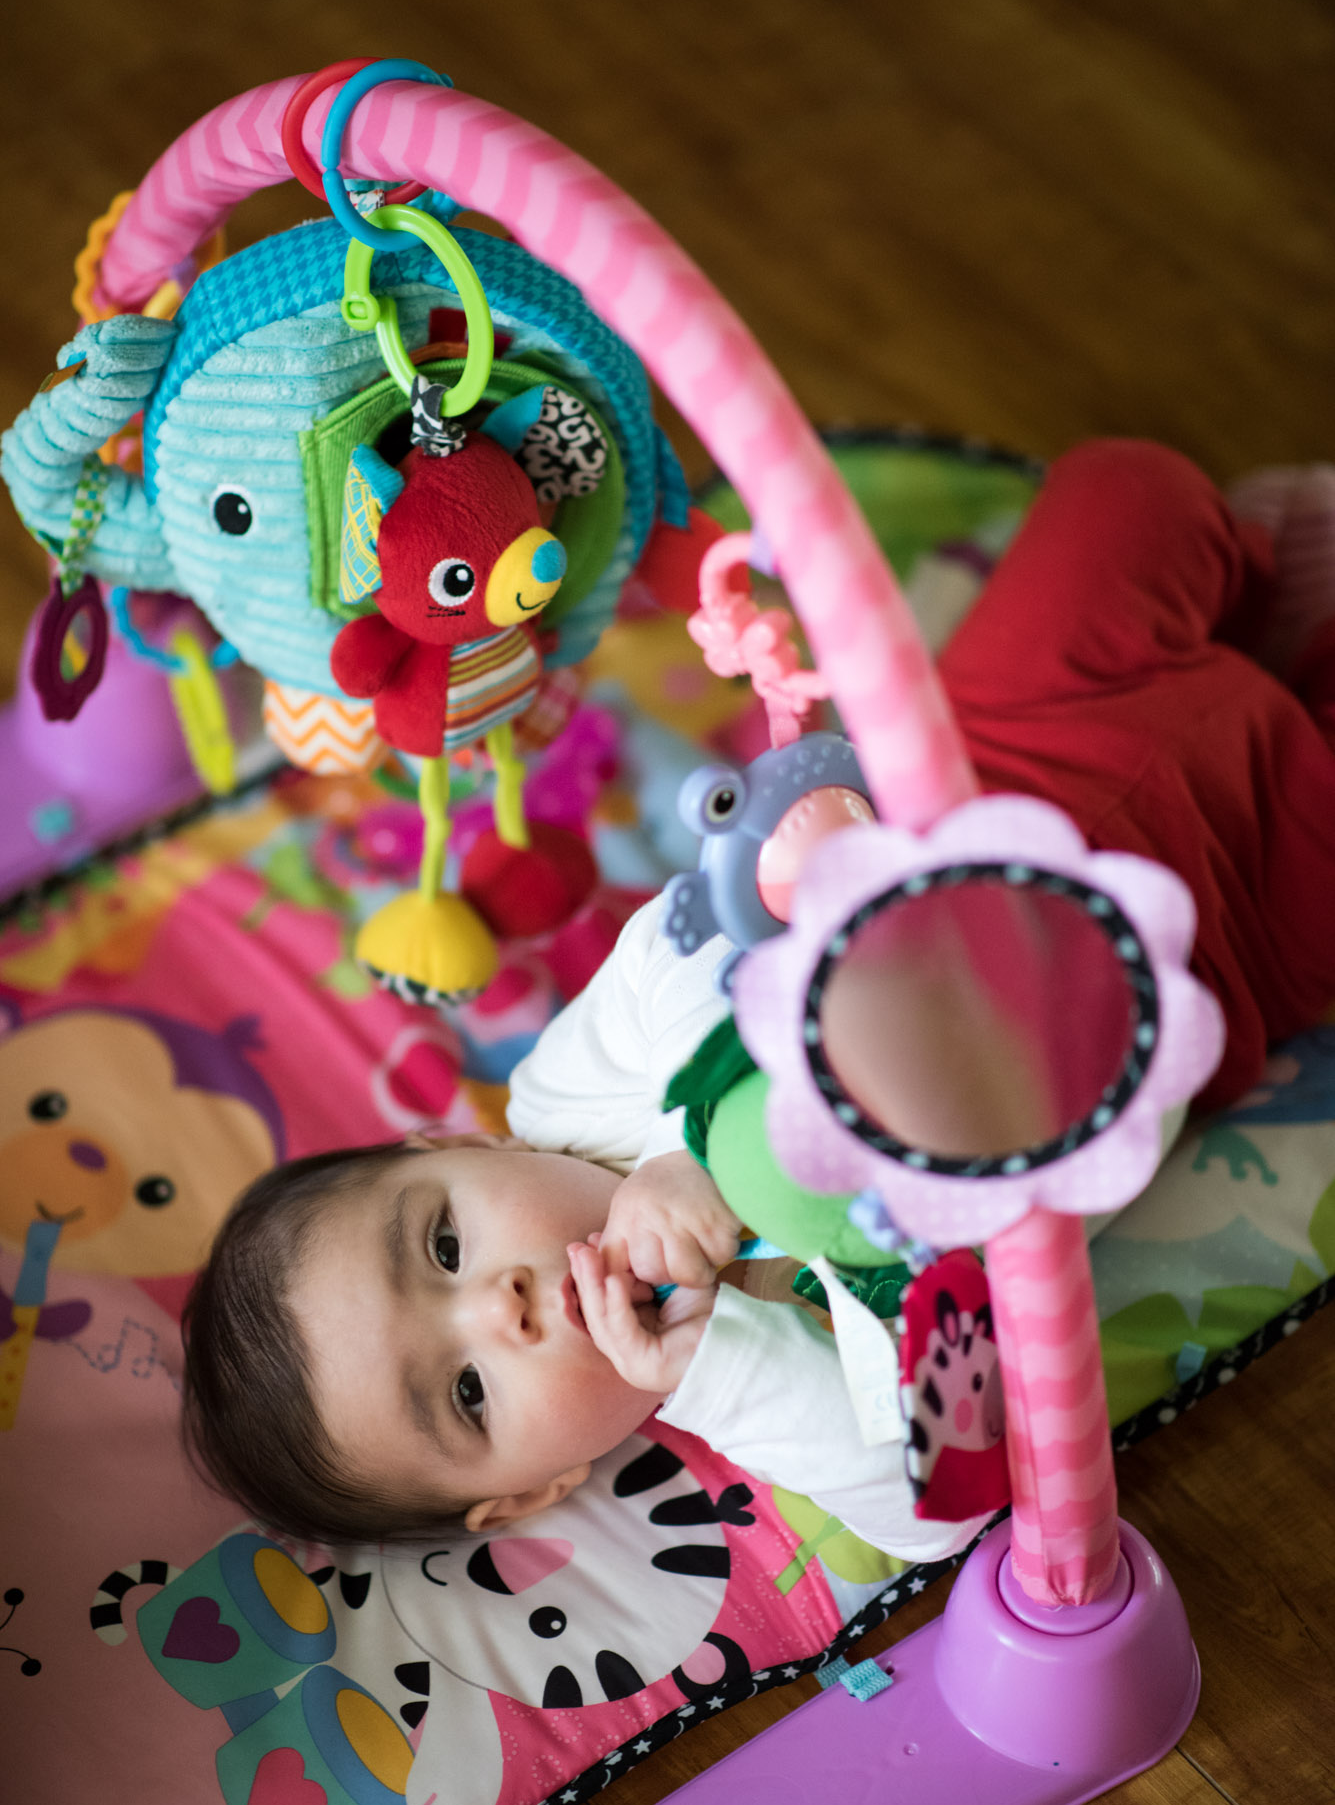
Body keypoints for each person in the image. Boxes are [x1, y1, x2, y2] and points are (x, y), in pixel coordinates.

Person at [181, 439, 1335, 1552]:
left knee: (1124, 494)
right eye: (471, 1393)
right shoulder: (761, 1382)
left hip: (995, 767)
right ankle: (1300, 669)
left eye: (441, 1241)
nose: (504, 1307)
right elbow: (934, 1500)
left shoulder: (568, 1101)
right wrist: (714, 1360)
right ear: (536, 1489)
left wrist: (708, 1154)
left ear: (448, 1142)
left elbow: (677, 951)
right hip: (1204, 958)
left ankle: (1242, 566)